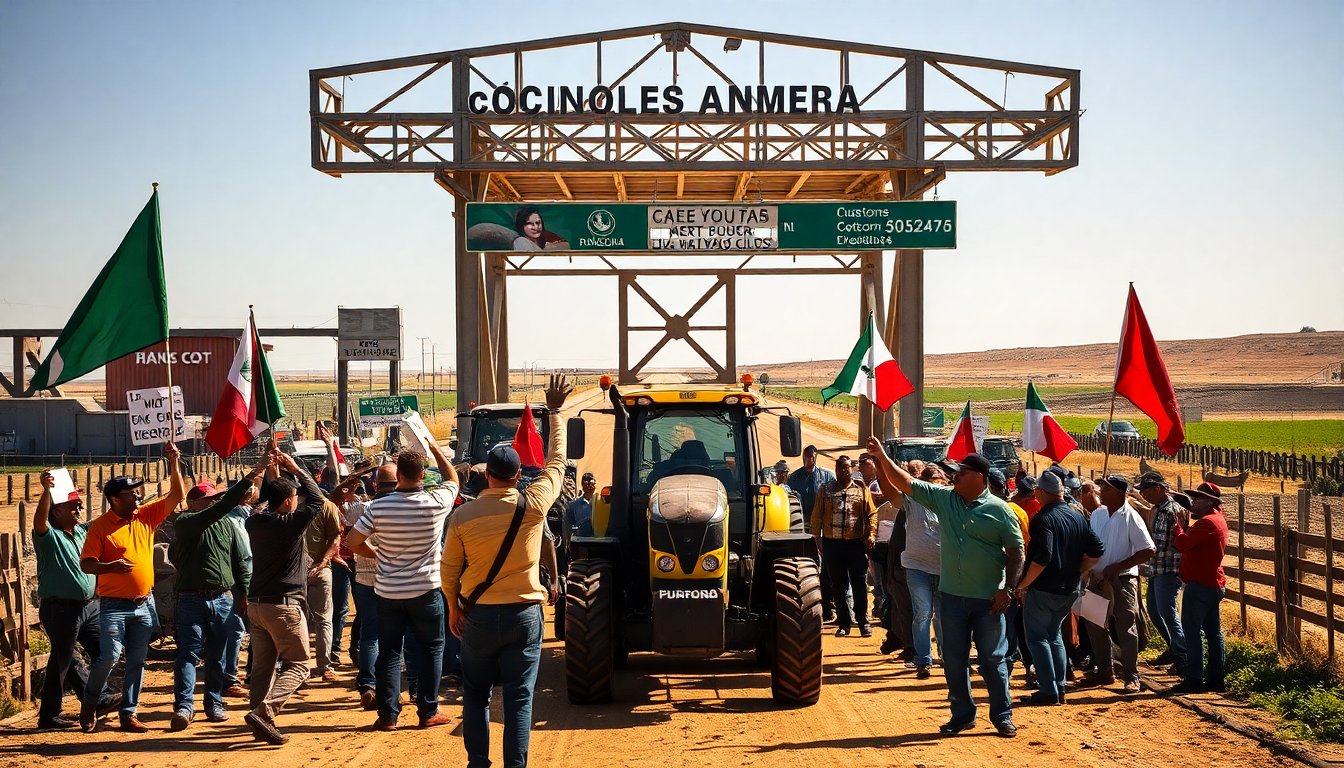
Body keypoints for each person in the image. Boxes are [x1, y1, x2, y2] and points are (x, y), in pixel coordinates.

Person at [443, 374, 572, 768]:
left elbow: (448, 571)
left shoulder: (462, 515)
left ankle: (477, 763)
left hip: (477, 616)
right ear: (519, 475)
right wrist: (555, 412)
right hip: (523, 615)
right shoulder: (534, 505)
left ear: (486, 475)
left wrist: (454, 608)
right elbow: (557, 461)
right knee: (519, 700)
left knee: (476, 696)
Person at [867, 440, 1024, 739]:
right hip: (952, 598)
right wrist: (881, 456)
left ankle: (1002, 715)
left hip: (989, 599)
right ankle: (963, 715)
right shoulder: (945, 499)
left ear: (979, 477)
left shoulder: (1000, 511)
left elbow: (1017, 552)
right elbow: (906, 482)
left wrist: (1009, 589)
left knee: (992, 658)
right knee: (954, 659)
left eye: (961, 473)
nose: (956, 478)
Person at [347, 439, 460, 730]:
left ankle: (388, 715)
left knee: (389, 651)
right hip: (426, 590)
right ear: (422, 475)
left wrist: (378, 554)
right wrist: (434, 449)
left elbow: (351, 542)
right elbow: (453, 479)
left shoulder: (378, 508)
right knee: (432, 648)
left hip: (388, 592)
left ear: (398, 476)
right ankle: (428, 710)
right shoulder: (435, 503)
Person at [79, 442, 185, 733]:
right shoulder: (100, 527)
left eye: (138, 491)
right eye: (131, 493)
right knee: (110, 656)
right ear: (114, 499)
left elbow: (176, 495)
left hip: (144, 603)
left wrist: (173, 463)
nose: (138, 495)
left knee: (138, 660)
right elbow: (87, 564)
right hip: (113, 605)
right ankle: (90, 704)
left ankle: (128, 713)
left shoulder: (145, 516)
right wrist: (111, 567)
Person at [169, 457, 271, 730]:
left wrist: (244, 593)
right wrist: (252, 474)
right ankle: (184, 706)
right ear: (193, 503)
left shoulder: (226, 526)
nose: (215, 502)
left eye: (217, 498)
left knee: (217, 654)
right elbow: (223, 508)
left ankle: (214, 702)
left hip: (223, 597)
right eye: (209, 499)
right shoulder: (186, 522)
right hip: (191, 598)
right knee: (188, 653)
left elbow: (240, 561)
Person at [243, 448, 325, 745]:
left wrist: (275, 476)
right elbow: (317, 498)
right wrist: (297, 469)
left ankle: (257, 717)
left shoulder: (254, 522)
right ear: (289, 501)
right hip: (284, 606)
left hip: (257, 604)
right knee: (300, 664)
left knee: (262, 667)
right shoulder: (292, 525)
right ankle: (265, 712)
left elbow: (263, 504)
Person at [32, 473, 119, 729]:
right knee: (64, 658)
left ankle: (55, 712)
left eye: (79, 505)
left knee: (100, 651)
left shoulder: (81, 532)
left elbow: (104, 521)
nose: (79, 509)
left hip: (88, 606)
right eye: (74, 505)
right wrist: (46, 491)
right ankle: (95, 699)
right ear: (56, 511)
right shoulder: (49, 537)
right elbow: (39, 520)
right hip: (61, 607)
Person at [1016, 471, 1104, 706]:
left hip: (1045, 588)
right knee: (1054, 635)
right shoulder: (1076, 516)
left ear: (1041, 493)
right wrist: (1078, 569)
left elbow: (1042, 558)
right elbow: (1097, 550)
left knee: (1037, 638)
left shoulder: (1043, 519)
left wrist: (1023, 584)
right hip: (1069, 588)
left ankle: (1048, 690)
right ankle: (1060, 685)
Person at [1081, 476, 1155, 694]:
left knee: (1126, 626)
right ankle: (1104, 670)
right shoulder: (1097, 515)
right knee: (1094, 624)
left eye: (1106, 488)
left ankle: (1132, 675)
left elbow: (1148, 550)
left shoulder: (1131, 517)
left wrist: (1118, 566)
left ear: (1119, 492)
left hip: (1122, 578)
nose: (1101, 491)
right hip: (1096, 578)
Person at [810, 455, 878, 638]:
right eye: (840, 468)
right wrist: (817, 538)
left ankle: (863, 622)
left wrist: (871, 534)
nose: (843, 471)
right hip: (832, 545)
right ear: (836, 470)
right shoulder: (825, 489)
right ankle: (844, 624)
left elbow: (871, 514)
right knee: (838, 586)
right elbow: (817, 515)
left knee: (859, 584)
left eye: (846, 467)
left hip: (856, 544)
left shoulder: (861, 489)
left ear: (851, 468)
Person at [1172, 482, 1229, 693]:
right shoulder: (1218, 520)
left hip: (1200, 585)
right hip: (1212, 582)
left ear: (1210, 502)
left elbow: (1183, 544)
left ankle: (1194, 678)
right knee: (1214, 632)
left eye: (1198, 499)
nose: (1193, 502)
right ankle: (1216, 678)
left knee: (1192, 631)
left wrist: (1178, 529)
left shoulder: (1206, 523)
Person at [890, 464, 944, 678]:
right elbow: (891, 494)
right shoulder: (912, 501)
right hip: (917, 567)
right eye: (934, 483)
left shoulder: (949, 501)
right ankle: (923, 660)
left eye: (941, 482)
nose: (938, 487)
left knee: (942, 615)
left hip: (944, 568)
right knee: (923, 613)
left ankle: (947, 656)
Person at [1135, 470, 1187, 674]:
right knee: (1155, 611)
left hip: (1168, 567)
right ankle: (1174, 647)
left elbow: (1163, 543)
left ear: (1158, 488)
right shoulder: (1157, 509)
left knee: (1167, 611)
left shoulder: (1170, 510)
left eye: (1146, 490)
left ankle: (1183, 655)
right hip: (1157, 567)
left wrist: (1142, 551)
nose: (1143, 494)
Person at [991, 469, 1033, 687]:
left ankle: (1005, 672)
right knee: (1021, 627)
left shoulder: (994, 511)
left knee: (1004, 628)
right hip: (1021, 577)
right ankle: (1030, 669)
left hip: (1004, 578)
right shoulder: (1019, 510)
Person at [789, 446, 838, 621]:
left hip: (824, 527)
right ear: (803, 458)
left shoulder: (828, 476)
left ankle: (829, 606)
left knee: (826, 568)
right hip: (801, 527)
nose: (811, 461)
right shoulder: (793, 478)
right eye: (808, 458)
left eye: (813, 458)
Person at [222, 477, 259, 698]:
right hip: (237, 585)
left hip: (248, 582)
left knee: (252, 631)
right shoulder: (231, 521)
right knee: (235, 631)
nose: (250, 500)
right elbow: (240, 559)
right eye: (246, 496)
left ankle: (250, 675)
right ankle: (229, 679)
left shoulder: (244, 519)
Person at [564, 472, 597, 551]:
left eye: (591, 483)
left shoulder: (601, 503)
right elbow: (568, 526)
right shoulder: (573, 505)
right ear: (582, 486)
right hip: (581, 542)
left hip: (599, 542)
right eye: (586, 484)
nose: (589, 487)